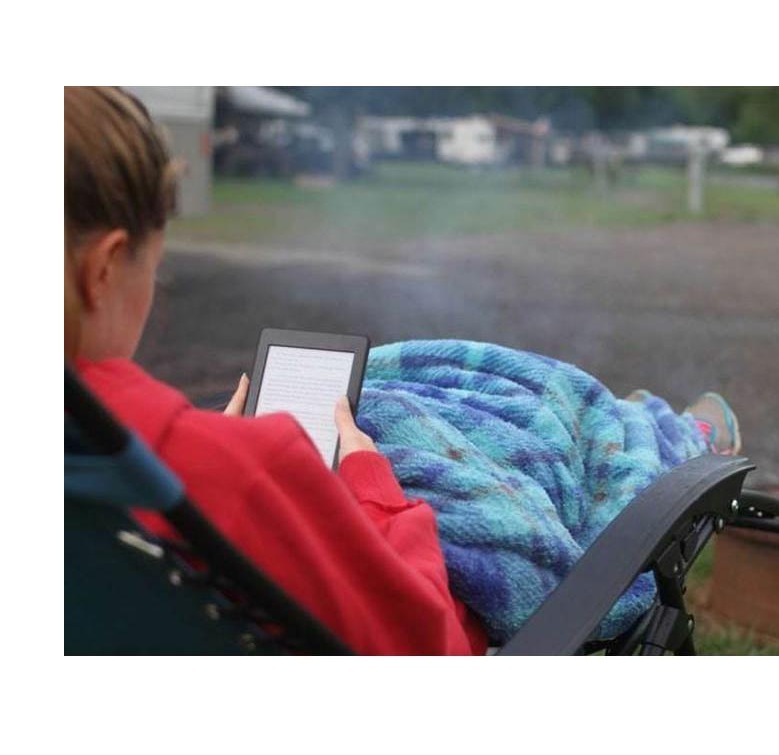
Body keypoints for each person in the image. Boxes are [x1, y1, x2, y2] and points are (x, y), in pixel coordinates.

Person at [65, 86, 489, 655]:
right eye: (154, 268)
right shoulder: (242, 470)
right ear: (105, 268)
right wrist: (368, 477)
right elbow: (429, 653)